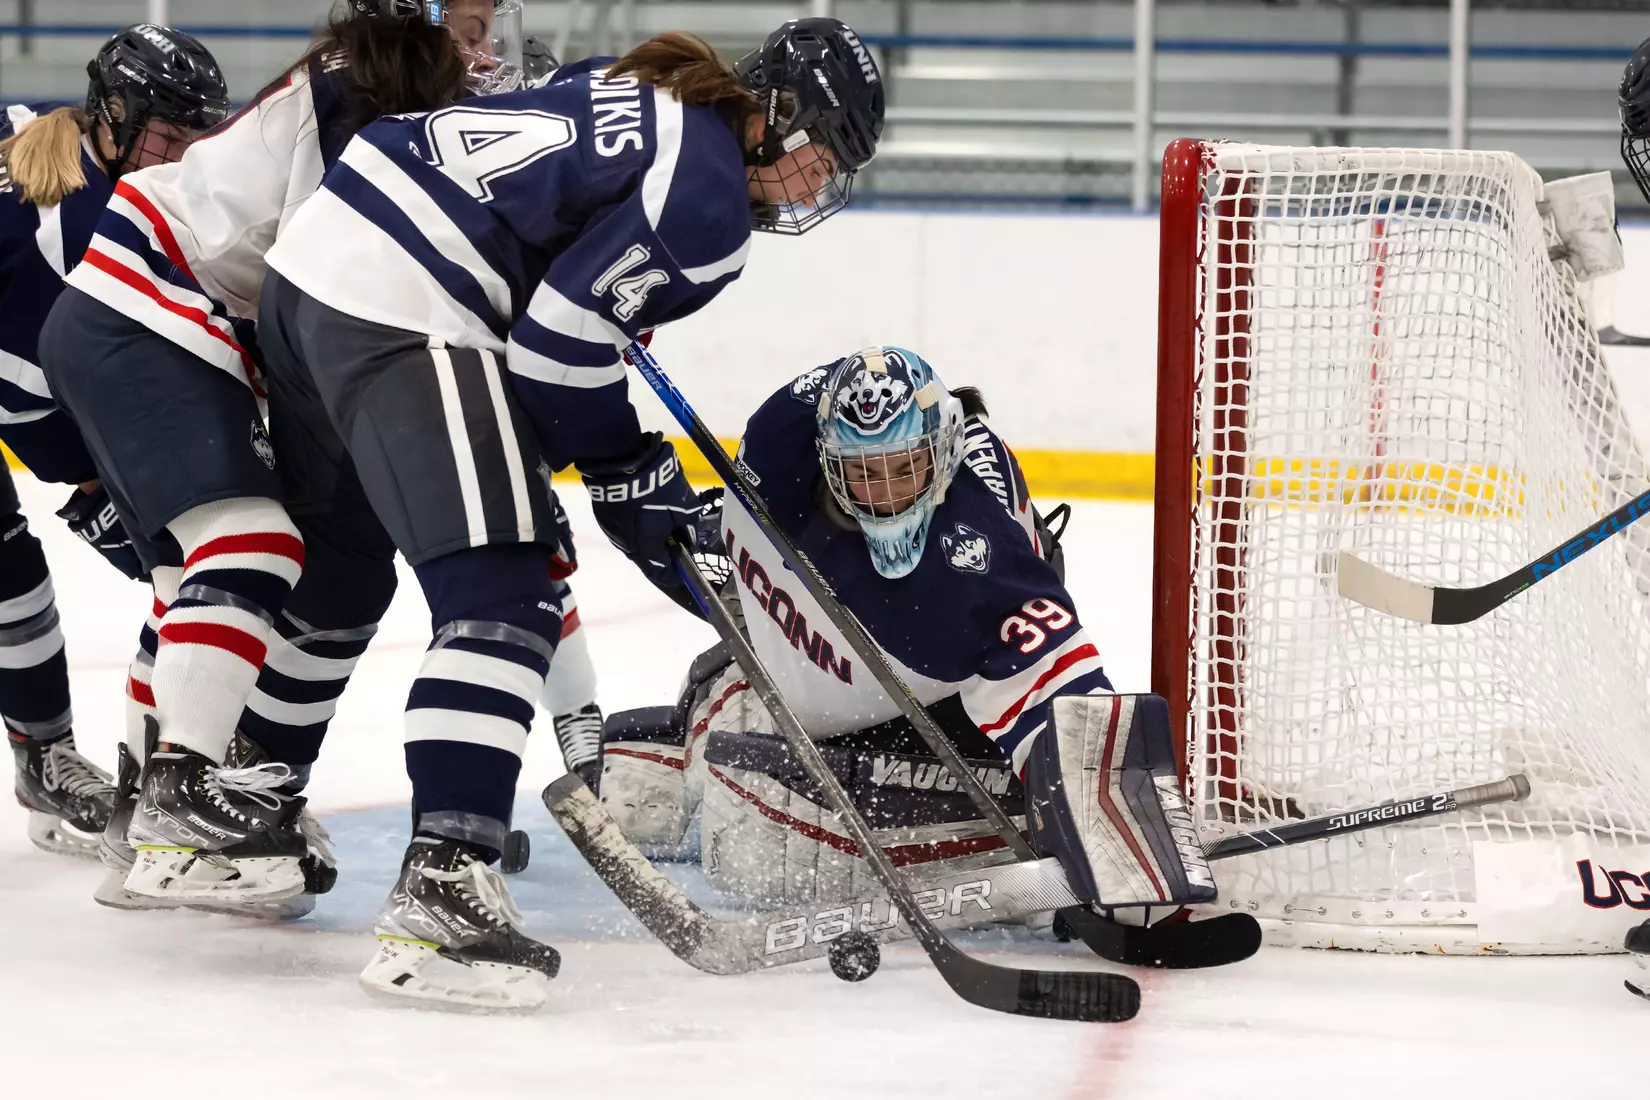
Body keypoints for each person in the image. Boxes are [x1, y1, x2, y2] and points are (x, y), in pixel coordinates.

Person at [254, 17, 883, 1010]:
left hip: (311, 273)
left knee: (345, 567)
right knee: (505, 593)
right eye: (823, 154)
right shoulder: (709, 200)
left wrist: (610, 457)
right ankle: (445, 885)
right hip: (402, 297)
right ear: (780, 113)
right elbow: (554, 350)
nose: (817, 185)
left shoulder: (651, 90)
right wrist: (627, 466)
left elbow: (549, 290)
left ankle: (245, 805)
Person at [38, 1, 504, 917]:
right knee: (255, 547)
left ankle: (145, 830)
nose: (486, 48)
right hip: (152, 307)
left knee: (189, 587)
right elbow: (327, 285)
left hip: (137, 315)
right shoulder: (360, 96)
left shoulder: (365, 87)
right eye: (474, 23)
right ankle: (180, 802)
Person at [596, 348, 1217, 925]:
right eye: (864, 472)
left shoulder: (979, 563)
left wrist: (1116, 848)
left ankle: (1031, 834)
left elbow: (1065, 698)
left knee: (759, 820)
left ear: (941, 454)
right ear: (828, 459)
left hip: (955, 684)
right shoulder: (779, 443)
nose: (887, 496)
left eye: (904, 469)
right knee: (720, 709)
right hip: (849, 673)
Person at [0, 25, 228, 860]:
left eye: (197, 136)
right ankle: (51, 759)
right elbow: (22, 390)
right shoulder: (72, 231)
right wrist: (92, 482)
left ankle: (50, 759)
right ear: (114, 117)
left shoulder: (46, 136)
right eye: (169, 135)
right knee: (10, 571)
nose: (183, 156)